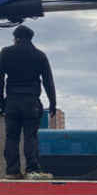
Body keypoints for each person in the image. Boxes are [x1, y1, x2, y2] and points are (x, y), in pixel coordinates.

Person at [0, 25, 56, 180]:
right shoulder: (39, 55)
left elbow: (0, 80)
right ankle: (32, 170)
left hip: (11, 102)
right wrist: (53, 103)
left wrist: (1, 103)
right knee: (30, 137)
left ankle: (12, 171)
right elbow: (48, 81)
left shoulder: (6, 53)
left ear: (16, 37)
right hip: (31, 102)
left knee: (12, 137)